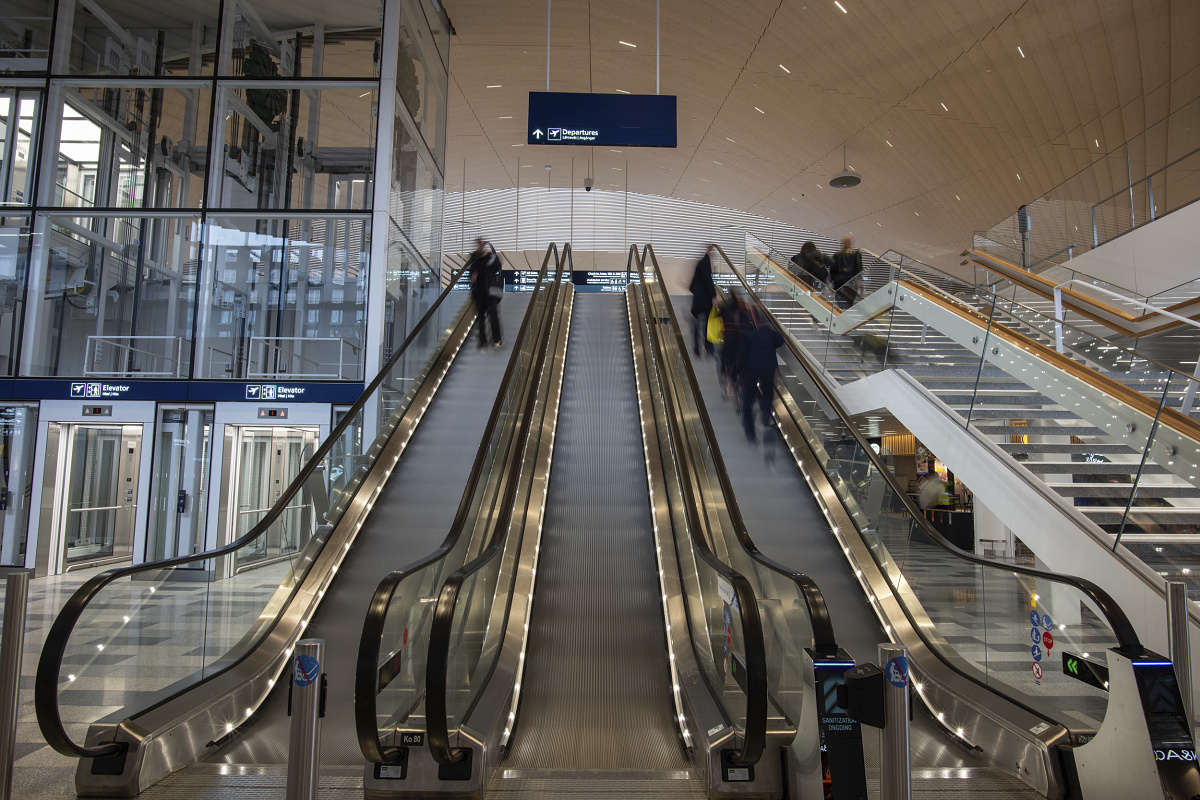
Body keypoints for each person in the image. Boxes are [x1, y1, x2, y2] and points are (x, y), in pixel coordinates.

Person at [738, 303, 784, 444]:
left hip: (751, 369)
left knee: (747, 401)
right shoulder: (768, 332)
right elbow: (780, 340)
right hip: (768, 366)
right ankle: (766, 412)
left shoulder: (747, 335)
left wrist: (739, 372)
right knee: (768, 389)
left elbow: (741, 356)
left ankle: (750, 433)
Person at [468, 238, 503, 348]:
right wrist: (472, 278)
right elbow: (471, 275)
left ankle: (496, 339)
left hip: (491, 292)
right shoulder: (474, 260)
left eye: (481, 245)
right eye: (478, 245)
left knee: (492, 314)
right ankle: (482, 340)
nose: (480, 247)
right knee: (481, 317)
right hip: (479, 292)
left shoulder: (490, 258)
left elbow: (497, 265)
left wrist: (489, 255)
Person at [689, 245, 718, 357]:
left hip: (698, 300)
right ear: (709, 251)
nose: (714, 254)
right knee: (707, 325)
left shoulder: (700, 263)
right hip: (705, 301)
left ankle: (696, 349)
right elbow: (708, 280)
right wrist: (713, 296)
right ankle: (708, 348)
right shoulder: (706, 263)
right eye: (713, 252)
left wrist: (696, 293)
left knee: (697, 325)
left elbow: (693, 282)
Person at [829, 235, 864, 307]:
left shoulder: (836, 255)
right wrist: (859, 280)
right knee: (849, 304)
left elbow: (832, 271)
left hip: (839, 284)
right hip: (851, 284)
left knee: (840, 305)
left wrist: (831, 285)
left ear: (842, 244)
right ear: (851, 244)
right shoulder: (856, 254)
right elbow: (859, 269)